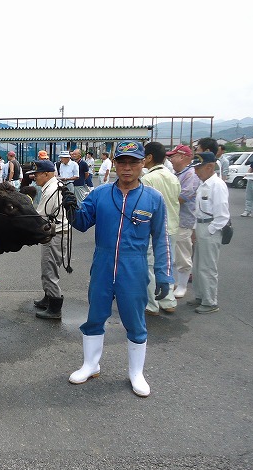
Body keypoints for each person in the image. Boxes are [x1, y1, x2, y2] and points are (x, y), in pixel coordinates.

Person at [65, 141, 173, 398]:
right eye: (122, 162)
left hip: (134, 266)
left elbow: (161, 239)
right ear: (114, 163)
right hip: (102, 263)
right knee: (95, 316)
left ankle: (136, 372)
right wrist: (71, 209)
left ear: (143, 163)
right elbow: (82, 223)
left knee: (135, 321)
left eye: (133, 162)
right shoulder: (100, 194)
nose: (127, 168)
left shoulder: (153, 198)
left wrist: (164, 274)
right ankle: (91, 365)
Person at [188, 151, 230, 314]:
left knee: (208, 267)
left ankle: (210, 301)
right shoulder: (204, 184)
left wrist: (210, 231)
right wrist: (195, 230)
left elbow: (222, 216)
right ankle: (200, 296)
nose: (196, 171)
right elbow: (199, 211)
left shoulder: (216, 185)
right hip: (201, 226)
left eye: (199, 168)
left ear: (210, 166)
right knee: (198, 265)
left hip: (210, 228)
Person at [141, 142, 181, 316]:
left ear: (149, 157)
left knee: (150, 265)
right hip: (172, 227)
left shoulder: (148, 179)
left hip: (154, 229)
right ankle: (168, 301)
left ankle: (151, 304)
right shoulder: (173, 176)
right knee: (166, 264)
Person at [29, 159, 68, 320]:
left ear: (46, 174)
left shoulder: (51, 189)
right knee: (48, 268)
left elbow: (40, 215)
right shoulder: (53, 186)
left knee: (49, 271)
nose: (34, 177)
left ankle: (55, 308)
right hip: (57, 232)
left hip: (55, 234)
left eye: (37, 174)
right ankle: (48, 297)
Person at [166, 144, 201, 298]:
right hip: (174, 220)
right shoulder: (177, 173)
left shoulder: (191, 175)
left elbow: (183, 197)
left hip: (184, 220)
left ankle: (182, 285)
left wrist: (166, 200)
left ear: (184, 157)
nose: (171, 159)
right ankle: (175, 282)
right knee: (172, 254)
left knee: (182, 254)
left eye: (173, 156)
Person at [240, 153, 253, 218]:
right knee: (249, 195)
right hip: (251, 179)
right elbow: (251, 168)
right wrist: (247, 174)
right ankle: (247, 211)